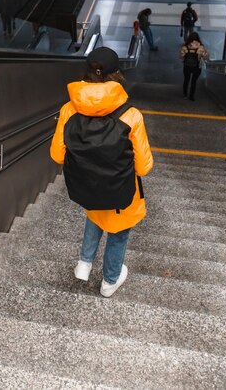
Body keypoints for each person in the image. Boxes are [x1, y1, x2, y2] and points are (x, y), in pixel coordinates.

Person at [50, 47, 153, 297]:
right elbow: (143, 167)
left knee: (95, 214)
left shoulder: (69, 110)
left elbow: (57, 154)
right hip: (121, 191)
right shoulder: (131, 116)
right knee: (118, 233)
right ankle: (109, 281)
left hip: (87, 185)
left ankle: (84, 263)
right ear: (116, 75)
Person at [180, 32, 209, 101]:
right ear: (198, 38)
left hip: (187, 66)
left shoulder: (185, 46)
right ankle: (191, 96)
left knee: (186, 80)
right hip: (197, 67)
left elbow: (181, 56)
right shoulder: (201, 47)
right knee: (193, 81)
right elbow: (205, 57)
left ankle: (185, 94)